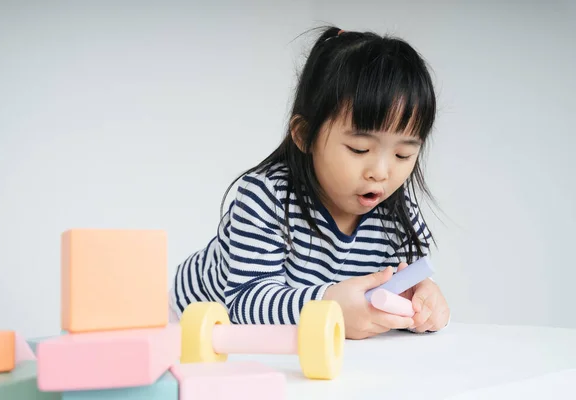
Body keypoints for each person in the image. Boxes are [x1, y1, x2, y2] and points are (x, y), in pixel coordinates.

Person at [169, 26, 450, 339]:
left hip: (295, 345)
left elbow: (401, 293)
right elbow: (244, 302)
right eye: (360, 149)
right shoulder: (267, 197)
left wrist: (423, 304)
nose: (381, 172)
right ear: (305, 135)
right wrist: (328, 306)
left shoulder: (400, 217)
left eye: (403, 154)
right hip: (190, 326)